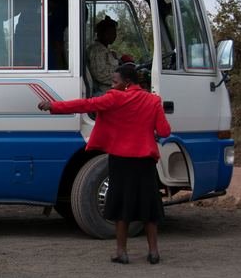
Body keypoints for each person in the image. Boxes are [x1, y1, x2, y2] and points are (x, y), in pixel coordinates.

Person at [37, 64, 171, 264]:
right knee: (148, 206)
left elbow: (85, 105)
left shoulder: (114, 99)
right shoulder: (153, 101)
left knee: (120, 206)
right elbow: (164, 131)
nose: (112, 85)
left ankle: (121, 252)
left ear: (126, 83)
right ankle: (153, 252)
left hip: (121, 160)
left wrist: (54, 106)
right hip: (145, 162)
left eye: (115, 81)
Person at [87, 16, 122, 94]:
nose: (113, 36)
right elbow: (100, 75)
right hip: (105, 91)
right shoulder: (97, 50)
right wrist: (122, 78)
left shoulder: (104, 49)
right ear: (101, 33)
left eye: (114, 33)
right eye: (110, 33)